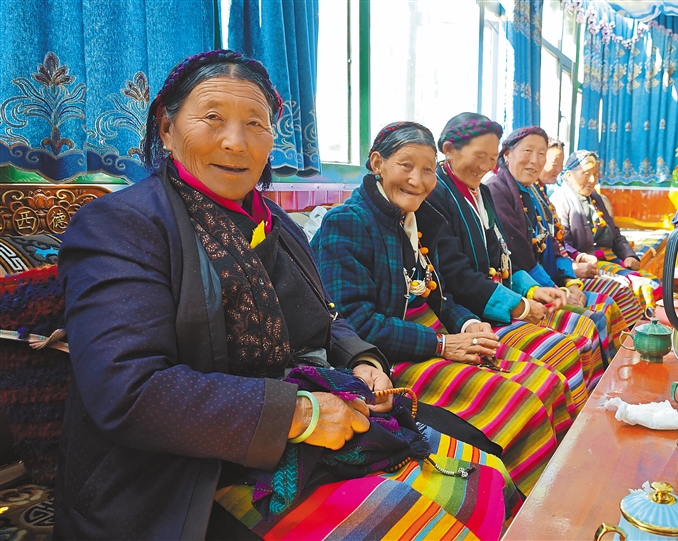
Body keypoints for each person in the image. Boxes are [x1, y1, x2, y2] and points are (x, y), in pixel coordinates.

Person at [53, 50, 514, 541]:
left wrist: (361, 359)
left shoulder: (275, 222)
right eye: (213, 118)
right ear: (167, 129)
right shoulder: (121, 226)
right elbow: (129, 390)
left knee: (486, 470)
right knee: (432, 525)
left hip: (307, 416)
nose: (236, 141)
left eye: (256, 123)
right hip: (180, 475)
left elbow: (325, 314)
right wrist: (299, 413)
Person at [311, 121, 572, 495]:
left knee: (547, 380)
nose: (417, 180)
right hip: (393, 356)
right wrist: (441, 345)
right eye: (406, 165)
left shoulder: (416, 220)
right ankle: (535, 505)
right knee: (520, 403)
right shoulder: (347, 223)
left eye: (428, 169)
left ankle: (559, 489)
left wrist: (467, 325)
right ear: (377, 163)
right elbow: (356, 323)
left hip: (438, 337)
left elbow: (438, 295)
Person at [426, 112, 610, 415]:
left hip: (500, 301)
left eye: (491, 158)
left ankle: (587, 420)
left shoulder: (482, 191)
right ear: (448, 150)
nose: (487, 167)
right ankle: (576, 431)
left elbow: (502, 256)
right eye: (480, 156)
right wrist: (520, 306)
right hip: (472, 314)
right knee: (565, 351)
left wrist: (533, 290)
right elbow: (456, 276)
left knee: (585, 328)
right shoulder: (437, 195)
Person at [487, 127, 632, 387]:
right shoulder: (496, 189)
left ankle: (615, 383)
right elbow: (519, 256)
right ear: (506, 154)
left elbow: (554, 243)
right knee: (592, 322)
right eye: (528, 151)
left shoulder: (533, 191)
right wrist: (558, 289)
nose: (536, 161)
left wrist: (570, 282)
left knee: (610, 303)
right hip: (524, 289)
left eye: (541, 154)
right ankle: (598, 395)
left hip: (548, 282)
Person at [551, 150, 662, 319]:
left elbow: (615, 233)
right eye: (586, 174)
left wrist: (629, 255)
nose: (592, 180)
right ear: (568, 175)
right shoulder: (560, 201)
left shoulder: (596, 198)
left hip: (611, 259)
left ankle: (648, 324)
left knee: (654, 282)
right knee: (643, 285)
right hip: (591, 264)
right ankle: (641, 326)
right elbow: (562, 244)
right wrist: (581, 258)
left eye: (596, 174)